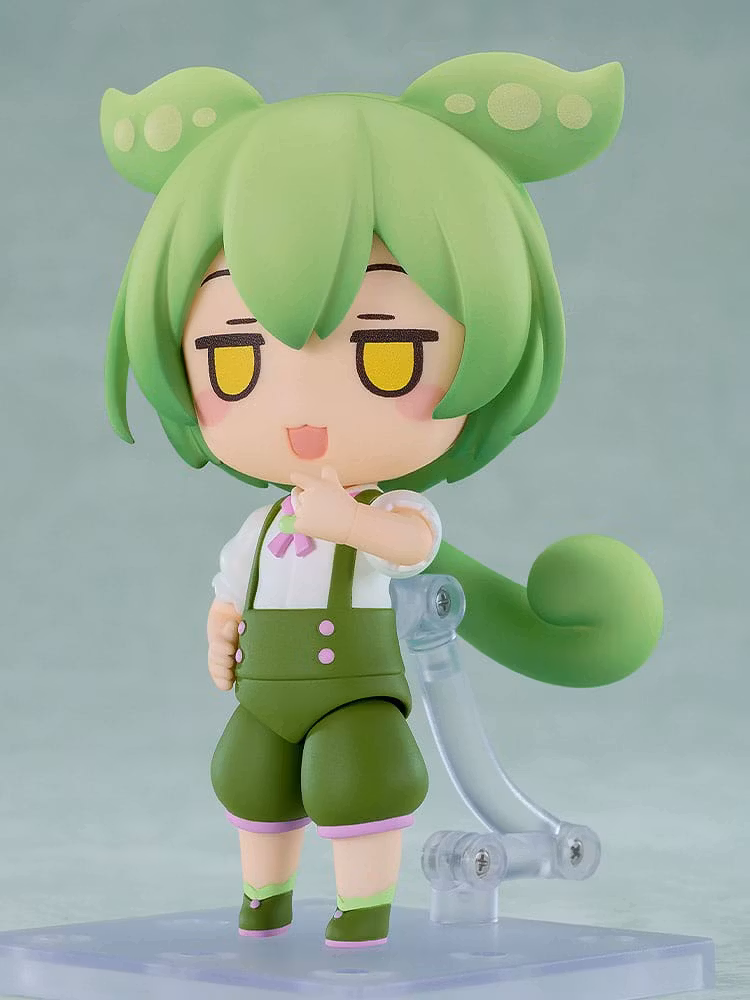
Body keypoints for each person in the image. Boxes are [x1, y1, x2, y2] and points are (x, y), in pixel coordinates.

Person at [100, 51, 663, 947]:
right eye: (234, 360)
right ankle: (263, 902)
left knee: (357, 781)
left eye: (388, 353)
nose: (300, 410)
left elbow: (410, 550)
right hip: (264, 694)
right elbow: (233, 588)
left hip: (354, 691)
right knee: (249, 776)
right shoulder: (262, 525)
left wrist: (351, 521)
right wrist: (221, 627)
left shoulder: (395, 514)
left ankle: (361, 912)